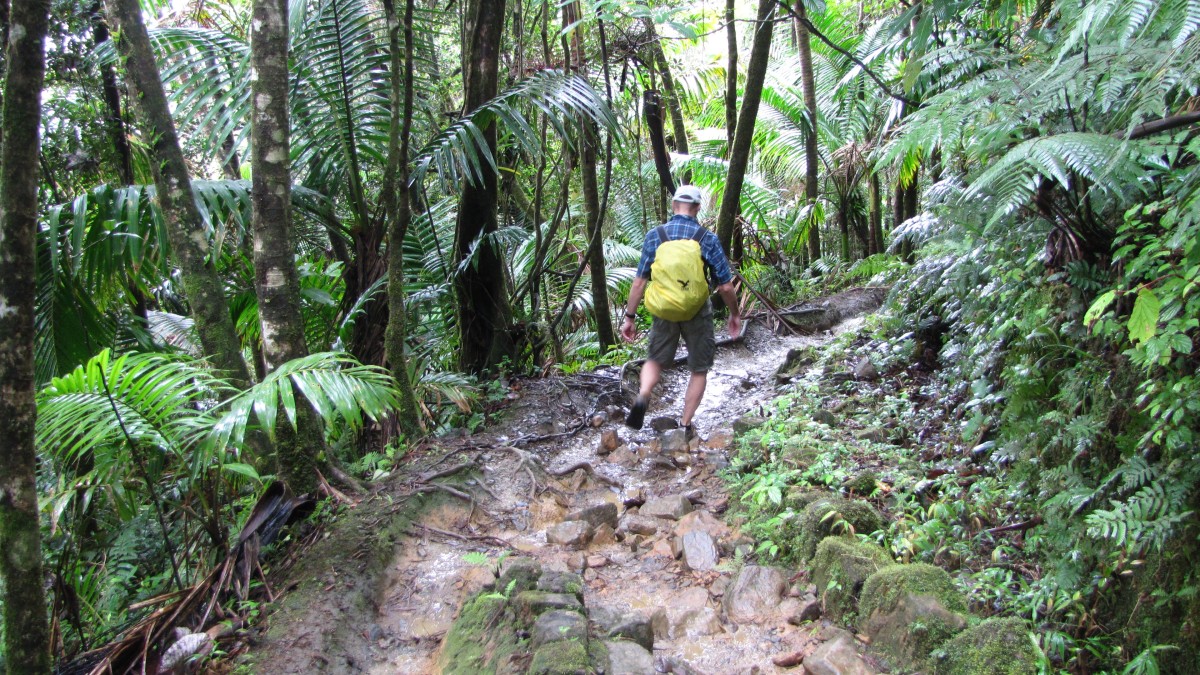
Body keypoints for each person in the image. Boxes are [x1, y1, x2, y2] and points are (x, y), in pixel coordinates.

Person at [620, 185, 741, 437]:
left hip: (664, 310)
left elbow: (639, 282)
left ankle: (643, 395)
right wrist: (734, 313)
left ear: (674, 206)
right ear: (697, 209)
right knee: (699, 368)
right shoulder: (706, 238)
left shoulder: (656, 235)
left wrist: (629, 317)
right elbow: (726, 287)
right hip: (697, 310)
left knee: (654, 359)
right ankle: (685, 425)